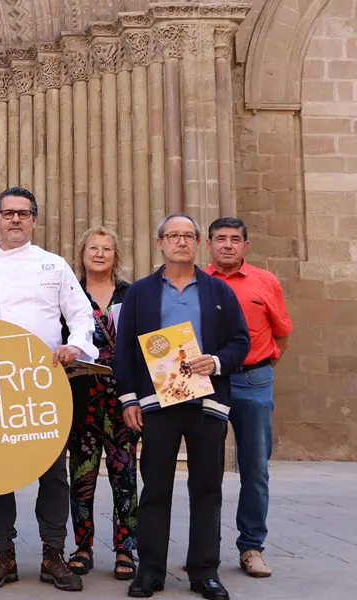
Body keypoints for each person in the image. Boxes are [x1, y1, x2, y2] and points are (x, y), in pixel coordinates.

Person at [116, 213, 250, 600]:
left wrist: (217, 361)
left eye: (188, 235)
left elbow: (241, 342)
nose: (181, 242)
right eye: (173, 235)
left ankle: (204, 571)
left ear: (198, 243)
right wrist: (129, 399)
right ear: (160, 242)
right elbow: (125, 349)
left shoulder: (218, 291)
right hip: (157, 404)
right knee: (155, 488)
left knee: (207, 489)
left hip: (207, 404)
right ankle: (150, 571)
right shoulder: (140, 293)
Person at [0, 187, 95, 592]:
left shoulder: (53, 265)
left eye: (23, 214)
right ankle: (3, 552)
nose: (15, 220)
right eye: (7, 213)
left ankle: (52, 553)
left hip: (44, 382)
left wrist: (76, 344)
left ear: (34, 220)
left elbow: (80, 316)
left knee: (52, 471)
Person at [206, 216, 292, 579]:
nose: (228, 244)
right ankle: (205, 548)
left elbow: (282, 333)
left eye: (235, 239)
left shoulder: (265, 282)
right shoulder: (198, 282)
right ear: (208, 244)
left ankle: (251, 546)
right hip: (208, 381)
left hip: (254, 379)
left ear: (246, 245)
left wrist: (261, 367)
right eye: (221, 238)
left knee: (255, 467)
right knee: (206, 467)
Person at [65, 227, 138, 581]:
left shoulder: (131, 294)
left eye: (106, 248)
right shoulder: (71, 292)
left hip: (122, 398)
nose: (98, 253)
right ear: (82, 253)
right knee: (82, 475)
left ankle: (126, 548)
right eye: (92, 248)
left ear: (115, 255)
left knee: (124, 474)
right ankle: (82, 547)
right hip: (82, 396)